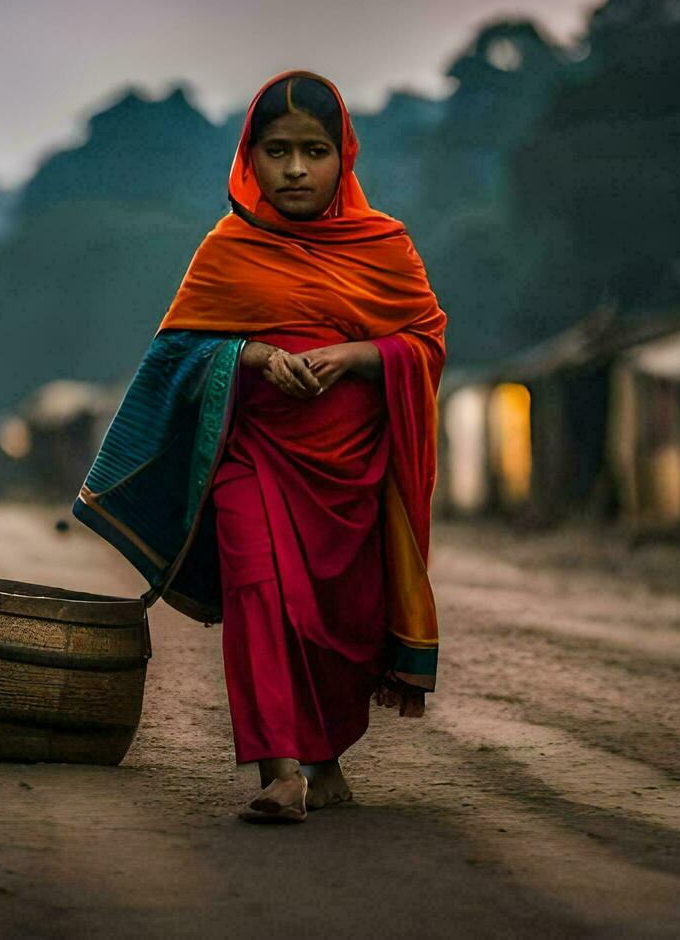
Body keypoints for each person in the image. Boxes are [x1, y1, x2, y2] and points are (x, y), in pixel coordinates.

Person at [73, 69, 446, 824]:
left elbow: (425, 343)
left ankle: (325, 759)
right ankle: (280, 770)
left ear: (345, 157)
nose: (298, 169)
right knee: (257, 595)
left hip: (351, 472)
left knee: (337, 618)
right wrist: (248, 356)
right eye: (278, 151)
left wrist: (355, 357)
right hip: (254, 456)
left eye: (315, 150)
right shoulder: (227, 249)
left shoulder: (386, 247)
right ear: (251, 158)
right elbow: (174, 355)